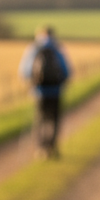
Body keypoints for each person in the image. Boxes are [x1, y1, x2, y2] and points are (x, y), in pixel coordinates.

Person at [19, 25, 70, 157]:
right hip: (56, 91)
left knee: (40, 119)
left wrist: (32, 83)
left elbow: (25, 71)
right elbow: (66, 70)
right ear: (53, 35)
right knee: (54, 120)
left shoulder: (33, 49)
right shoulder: (57, 48)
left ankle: (41, 148)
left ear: (39, 35)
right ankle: (51, 147)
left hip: (39, 92)